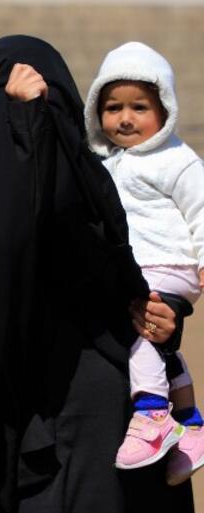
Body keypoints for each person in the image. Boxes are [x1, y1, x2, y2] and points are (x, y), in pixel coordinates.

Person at [0, 36, 199, 513]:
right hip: (17, 436)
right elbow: (2, 251)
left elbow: (143, 269)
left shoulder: (100, 182)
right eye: (6, 105)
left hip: (120, 421)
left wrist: (170, 309)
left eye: (42, 105)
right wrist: (26, 130)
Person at [83, 41, 204, 482]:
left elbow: (201, 210)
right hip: (143, 265)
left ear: (165, 109)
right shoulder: (107, 162)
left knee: (137, 332)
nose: (125, 118)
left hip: (168, 263)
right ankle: (190, 422)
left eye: (139, 107)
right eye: (113, 107)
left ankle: (152, 414)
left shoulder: (177, 160)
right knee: (156, 338)